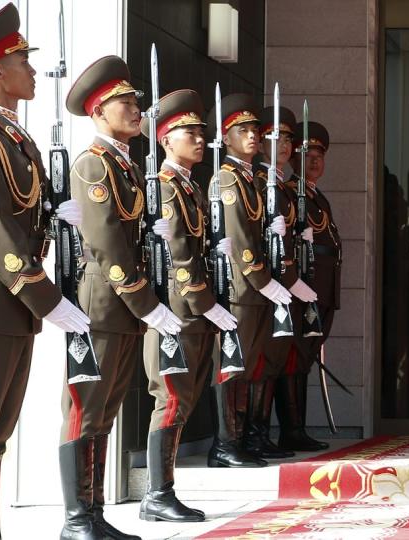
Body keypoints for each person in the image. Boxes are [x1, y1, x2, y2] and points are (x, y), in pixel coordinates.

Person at [0, 4, 90, 538]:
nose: (32, 70)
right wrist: (48, 300)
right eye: (21, 61)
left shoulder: (17, 138)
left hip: (12, 305)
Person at [62, 55, 183, 540]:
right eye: (124, 103)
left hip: (122, 308)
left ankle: (92, 514)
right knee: (86, 408)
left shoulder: (126, 165)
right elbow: (106, 241)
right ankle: (76, 520)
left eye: (136, 102)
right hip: (104, 303)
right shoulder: (94, 163)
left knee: (106, 410)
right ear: (98, 112)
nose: (137, 110)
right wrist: (145, 301)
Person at [137, 89, 237, 522]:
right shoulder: (164, 187)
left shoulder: (190, 188)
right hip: (176, 313)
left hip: (193, 314)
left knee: (185, 398)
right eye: (188, 132)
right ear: (165, 139)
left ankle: (163, 491)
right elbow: (178, 255)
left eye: (200, 131)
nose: (199, 138)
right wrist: (205, 303)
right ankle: (156, 495)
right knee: (172, 398)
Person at [207, 94, 292, 467]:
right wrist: (263, 279)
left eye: (255, 130)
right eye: (243, 130)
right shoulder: (227, 178)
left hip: (255, 290)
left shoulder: (250, 178)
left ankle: (241, 439)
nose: (254, 136)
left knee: (251, 364)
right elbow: (240, 238)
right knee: (232, 364)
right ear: (226, 138)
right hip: (241, 289)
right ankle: (225, 443)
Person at [253, 106, 321, 453]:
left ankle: (264, 434)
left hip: (286, 283)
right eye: (274, 138)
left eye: (288, 139)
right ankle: (254, 435)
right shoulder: (258, 180)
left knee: (280, 359)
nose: (283, 145)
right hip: (267, 286)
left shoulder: (282, 183)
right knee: (262, 363)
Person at [283, 121, 341, 451]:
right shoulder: (292, 192)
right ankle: (292, 428)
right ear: (294, 157)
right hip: (304, 286)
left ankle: (297, 427)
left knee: (304, 359)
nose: (315, 161)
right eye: (308, 154)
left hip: (323, 287)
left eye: (320, 155)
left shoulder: (317, 196)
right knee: (296, 356)